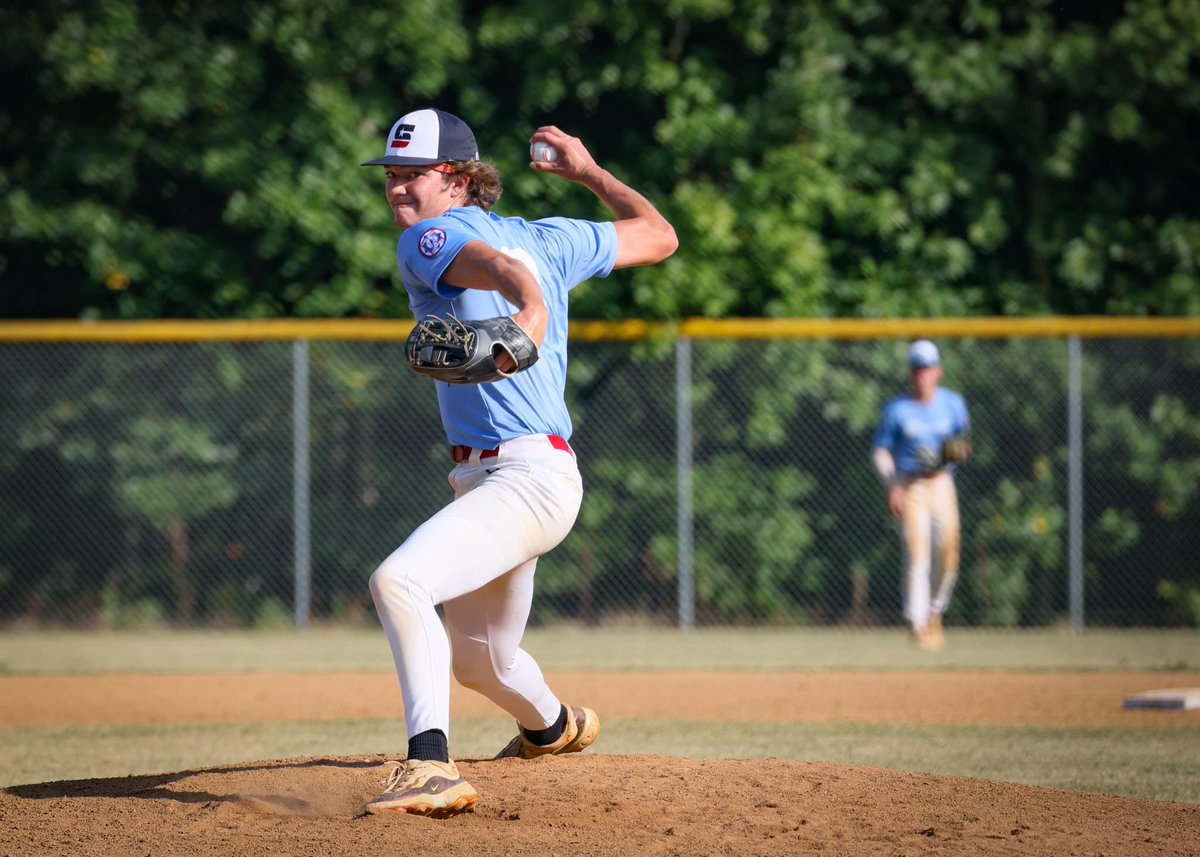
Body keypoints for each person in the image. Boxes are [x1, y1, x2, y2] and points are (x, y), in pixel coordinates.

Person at [358, 107, 678, 817]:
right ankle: (555, 726)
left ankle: (431, 767)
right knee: (479, 659)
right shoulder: (552, 238)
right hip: (511, 478)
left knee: (399, 580)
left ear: (461, 178)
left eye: (415, 173)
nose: (399, 189)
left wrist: (529, 310)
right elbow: (659, 234)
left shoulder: (428, 238)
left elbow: (504, 273)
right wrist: (592, 176)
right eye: (392, 175)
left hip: (524, 478)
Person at [871, 340, 970, 651]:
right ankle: (917, 624)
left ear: (938, 371)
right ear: (909, 373)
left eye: (926, 368)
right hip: (911, 484)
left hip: (941, 483)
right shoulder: (897, 409)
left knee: (949, 554)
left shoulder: (952, 404)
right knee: (917, 555)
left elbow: (964, 445)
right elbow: (881, 451)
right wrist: (891, 483)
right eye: (916, 369)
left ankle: (934, 612)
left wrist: (943, 457)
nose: (921, 375)